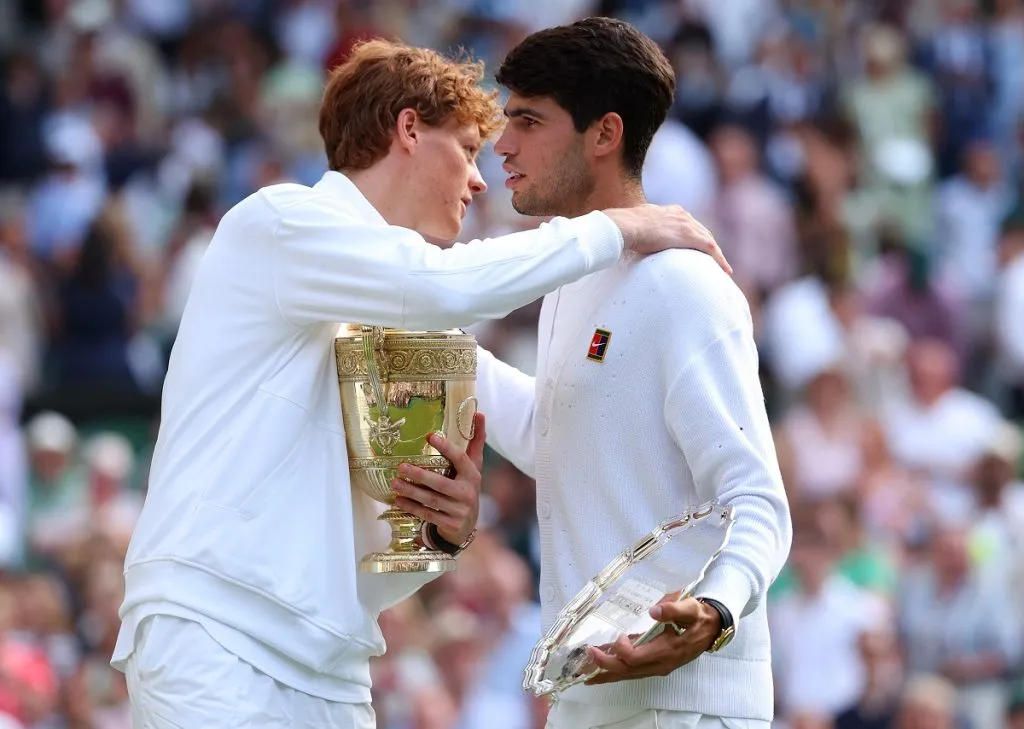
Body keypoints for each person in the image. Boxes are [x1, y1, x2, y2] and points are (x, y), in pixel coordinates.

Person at [111, 38, 726, 729]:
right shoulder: (280, 223)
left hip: (332, 670)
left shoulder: (410, 320)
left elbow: (385, 570)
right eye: (466, 148)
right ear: (408, 130)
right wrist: (616, 226)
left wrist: (441, 531)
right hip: (213, 637)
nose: (479, 179)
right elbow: (444, 287)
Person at [464, 18, 792, 729]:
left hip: (686, 706)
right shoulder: (569, 281)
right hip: (588, 697)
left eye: (527, 119)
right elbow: (553, 432)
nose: (503, 143)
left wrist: (715, 610)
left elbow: (757, 499)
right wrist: (431, 343)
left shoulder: (683, 284)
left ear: (604, 133)